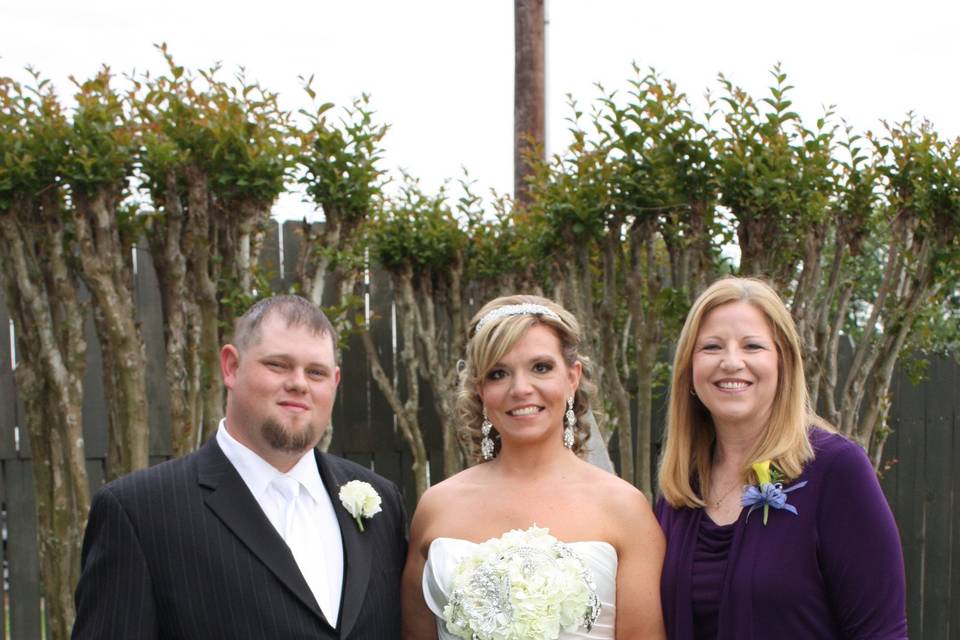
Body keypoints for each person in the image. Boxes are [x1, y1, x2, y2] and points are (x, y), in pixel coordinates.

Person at [72, 295, 407, 639]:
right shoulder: (139, 512)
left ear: (334, 382)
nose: (299, 383)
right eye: (278, 365)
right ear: (231, 366)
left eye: (316, 372)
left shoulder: (383, 504)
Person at [401, 295, 666, 639]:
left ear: (572, 377)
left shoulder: (624, 508)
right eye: (499, 373)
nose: (521, 389)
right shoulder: (437, 506)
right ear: (481, 390)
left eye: (541, 367)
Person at [656, 277, 907, 639]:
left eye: (752, 346)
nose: (731, 362)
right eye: (711, 347)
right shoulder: (680, 494)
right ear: (689, 372)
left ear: (783, 364)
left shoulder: (836, 471)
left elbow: (881, 633)